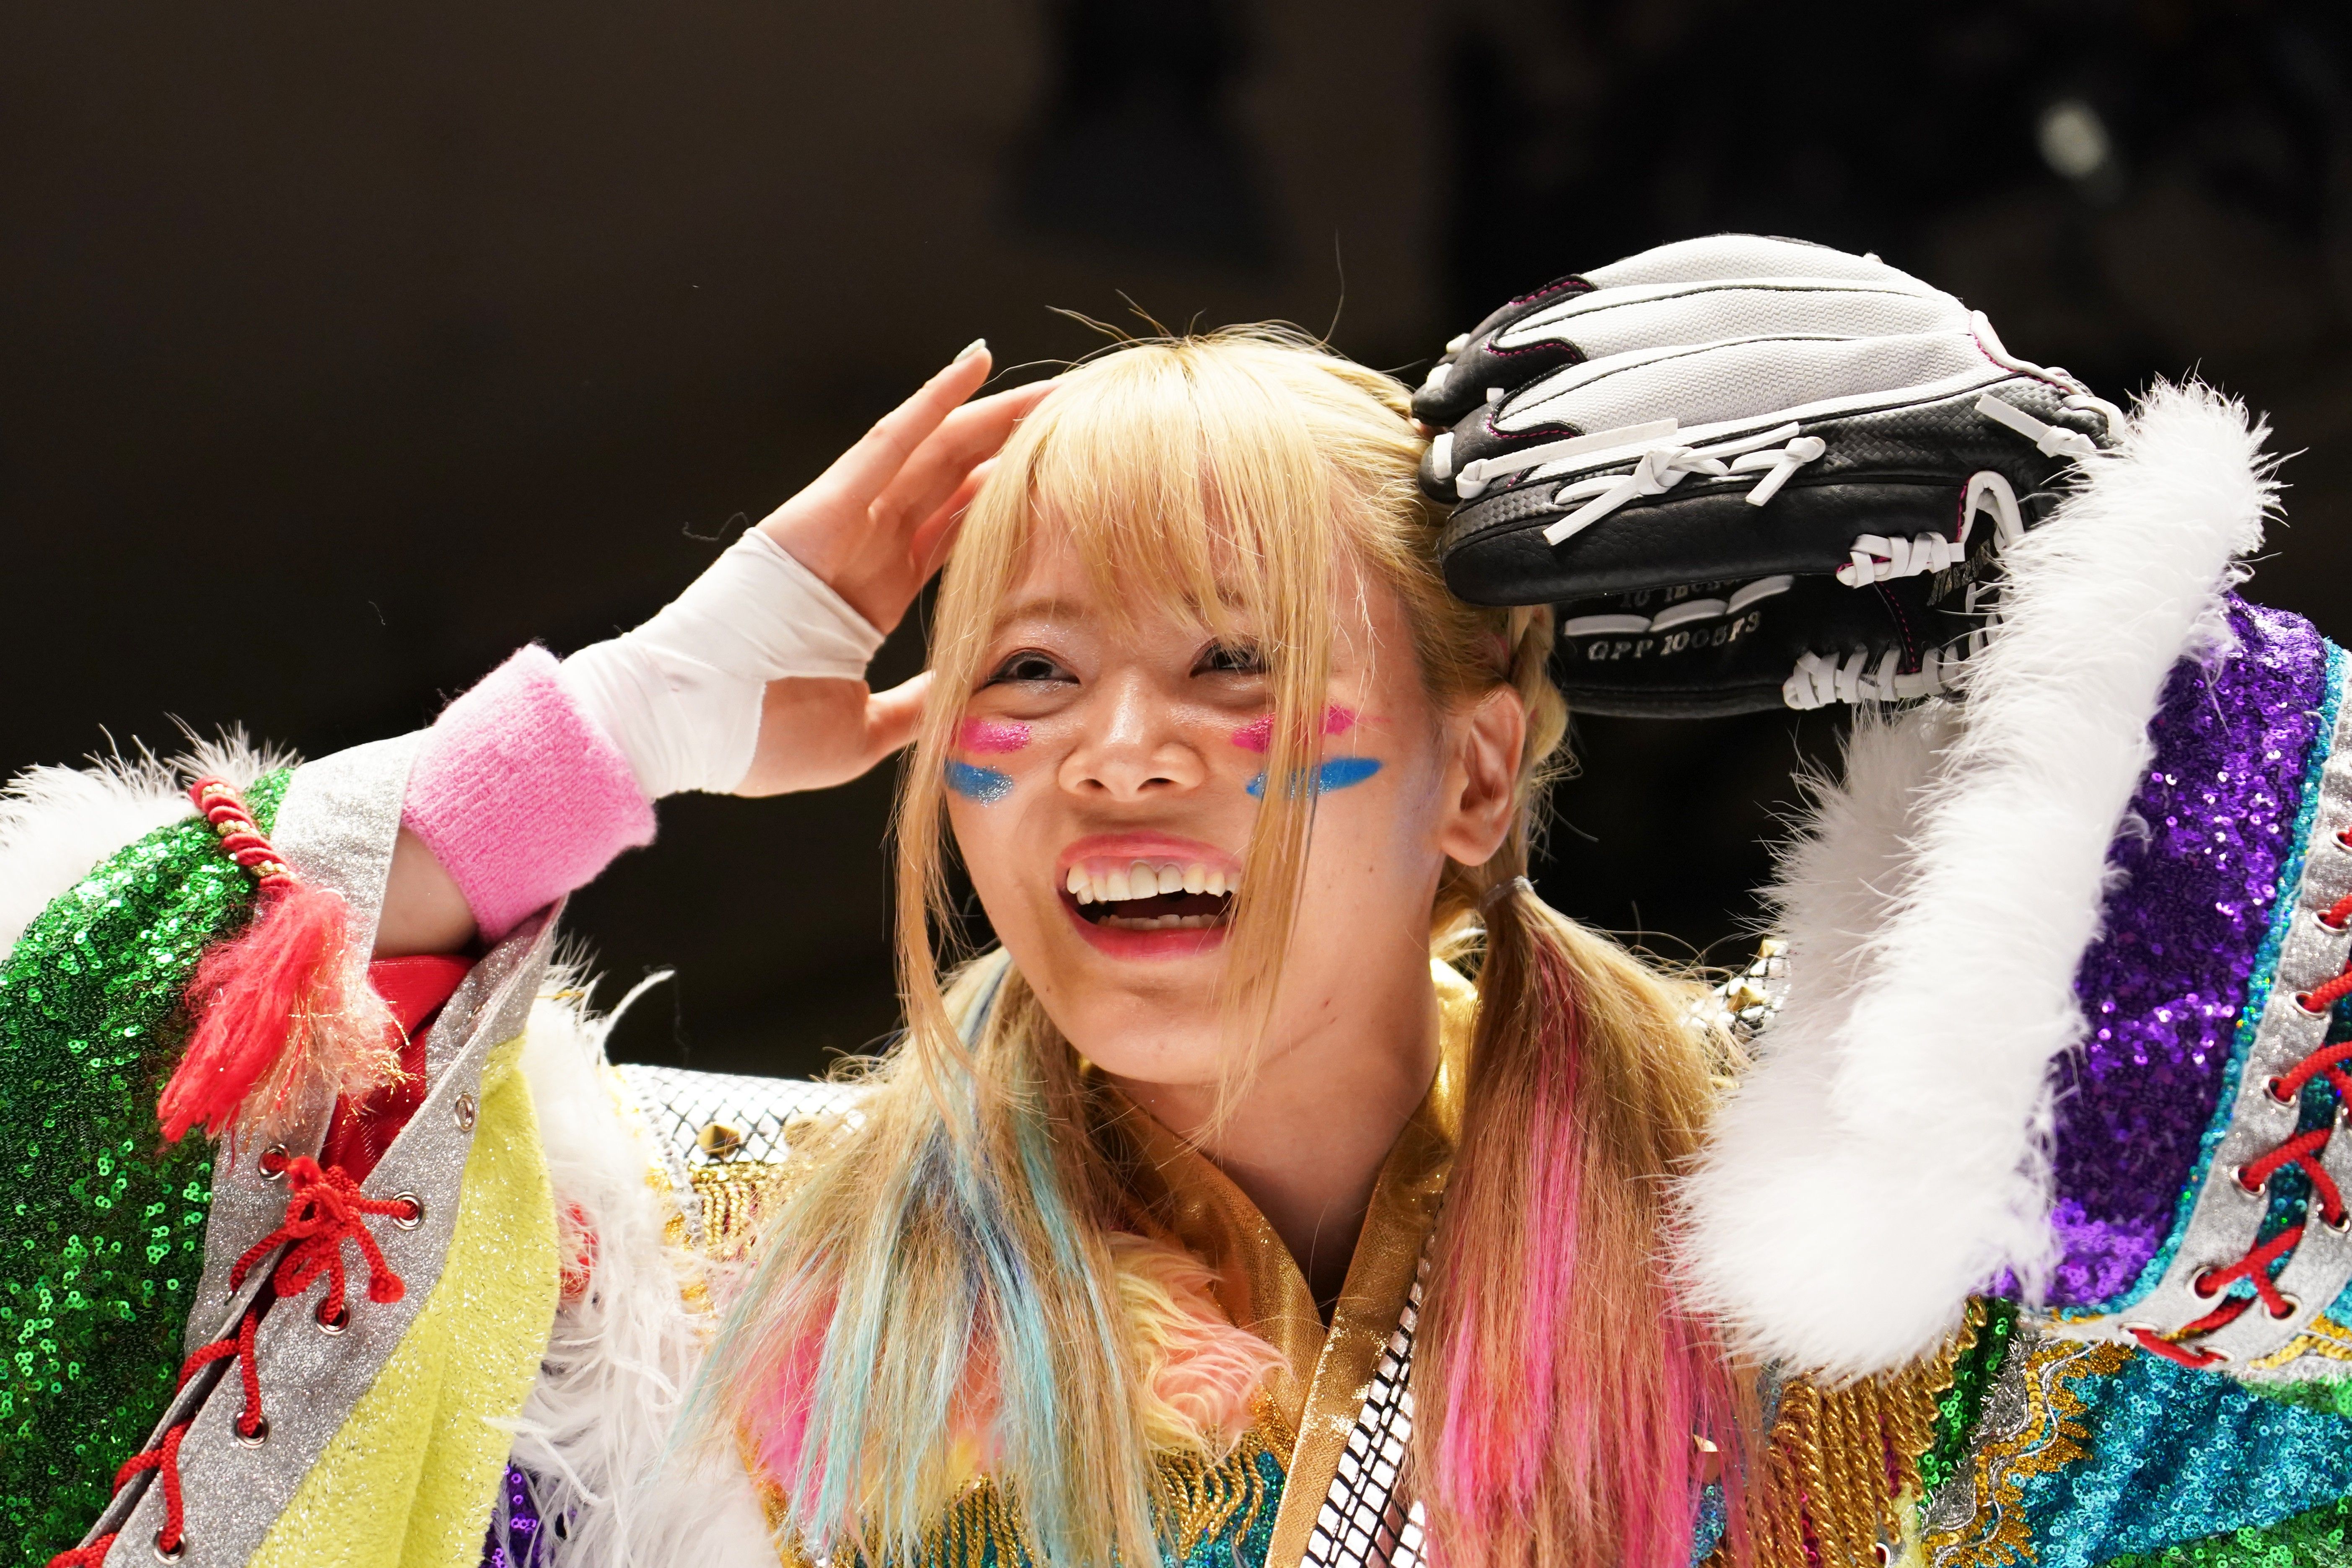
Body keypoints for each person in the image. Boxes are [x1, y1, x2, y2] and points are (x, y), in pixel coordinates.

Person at [8, 236, 2350, 1568]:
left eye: (1239, 667)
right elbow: (91, 1220)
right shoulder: (732, 1326)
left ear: (1477, 773)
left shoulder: (1839, 1276)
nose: (1117, 751)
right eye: (1029, 671)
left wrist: (2126, 696)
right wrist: (605, 733)